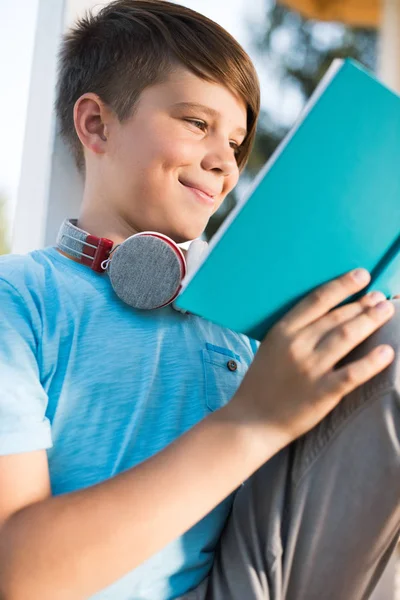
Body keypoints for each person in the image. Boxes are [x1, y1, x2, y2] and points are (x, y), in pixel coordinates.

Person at [0, 1, 398, 599]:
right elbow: (18, 578)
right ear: (97, 125)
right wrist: (251, 421)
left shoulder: (238, 321)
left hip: (258, 577)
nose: (225, 162)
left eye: (237, 143)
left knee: (380, 334)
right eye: (195, 122)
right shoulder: (22, 301)